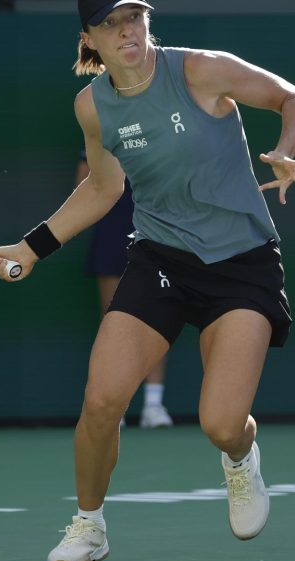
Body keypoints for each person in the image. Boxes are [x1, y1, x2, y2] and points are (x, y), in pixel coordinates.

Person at [0, 0, 295, 561]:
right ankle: (89, 526)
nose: (126, 32)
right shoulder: (92, 106)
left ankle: (241, 458)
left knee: (220, 423)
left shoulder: (200, 70)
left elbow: (294, 98)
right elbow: (101, 188)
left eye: (133, 18)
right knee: (100, 400)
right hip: (162, 258)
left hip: (242, 263)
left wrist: (286, 149)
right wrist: (33, 246)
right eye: (110, 25)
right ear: (89, 39)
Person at [78, 152, 173, 429]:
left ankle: (153, 405)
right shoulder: (101, 132)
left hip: (158, 228)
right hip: (112, 228)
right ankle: (113, 406)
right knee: (113, 321)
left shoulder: (163, 129)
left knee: (159, 317)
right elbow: (86, 187)